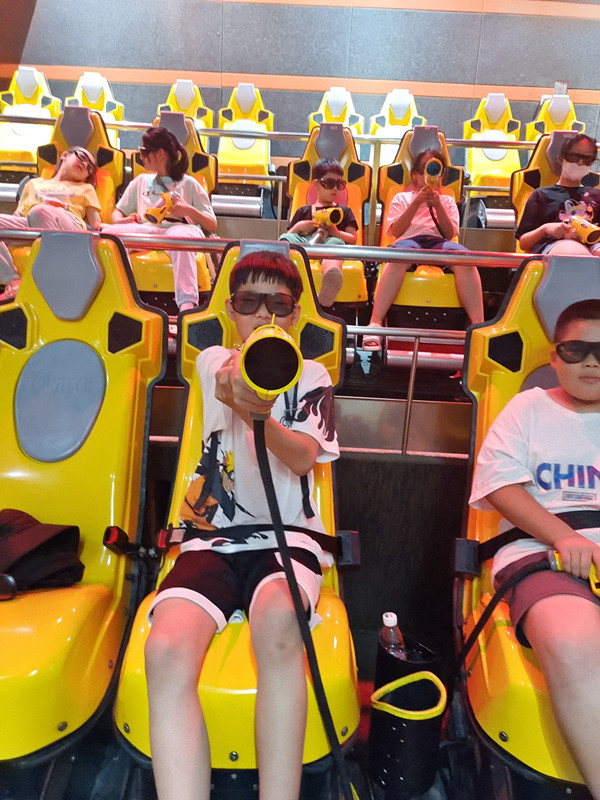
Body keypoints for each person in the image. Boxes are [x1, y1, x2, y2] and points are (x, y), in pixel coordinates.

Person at [144, 250, 339, 800]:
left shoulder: (314, 375)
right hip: (211, 540)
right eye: (250, 302)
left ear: (295, 314)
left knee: (280, 623)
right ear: (232, 310)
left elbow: (303, 458)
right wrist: (249, 389)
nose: (264, 314)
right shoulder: (212, 361)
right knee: (165, 649)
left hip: (288, 539)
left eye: (278, 304)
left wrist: (261, 417)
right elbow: (230, 378)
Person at [470, 299, 600, 799]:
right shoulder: (529, 408)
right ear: (554, 355)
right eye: (576, 349)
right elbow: (501, 486)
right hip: (542, 551)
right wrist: (564, 537)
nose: (590, 362)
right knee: (573, 642)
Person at [363, 148, 484, 351]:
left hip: (438, 242)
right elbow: (397, 232)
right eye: (424, 169)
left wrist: (438, 205)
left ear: (442, 175)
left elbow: (448, 234)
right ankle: (375, 322)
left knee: (465, 259)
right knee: (398, 258)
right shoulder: (401, 199)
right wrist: (417, 202)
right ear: (415, 175)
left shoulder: (447, 201)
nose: (429, 174)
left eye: (436, 169)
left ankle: (477, 326)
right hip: (409, 241)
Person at [102, 126, 217, 312]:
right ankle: (123, 297)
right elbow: (116, 214)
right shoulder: (140, 181)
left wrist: (188, 210)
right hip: (147, 230)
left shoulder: (189, 183)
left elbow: (211, 224)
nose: (141, 157)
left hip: (179, 229)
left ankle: (187, 306)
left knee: (182, 240)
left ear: (161, 154)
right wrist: (124, 221)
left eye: (144, 152)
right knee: (109, 235)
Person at [0, 146, 101, 300]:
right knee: (35, 213)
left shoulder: (86, 188)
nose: (85, 164)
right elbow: (21, 213)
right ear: (65, 155)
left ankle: (60, 280)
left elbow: (96, 225)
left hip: (68, 225)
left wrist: (62, 207)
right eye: (82, 157)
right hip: (31, 224)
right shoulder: (33, 184)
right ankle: (13, 281)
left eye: (90, 167)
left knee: (39, 211)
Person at [279, 157, 358, 307]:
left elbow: (353, 239)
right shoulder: (303, 211)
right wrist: (300, 226)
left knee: (335, 245)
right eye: (329, 183)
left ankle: (331, 276)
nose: (335, 189)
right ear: (316, 185)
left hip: (329, 243)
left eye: (339, 184)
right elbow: (290, 234)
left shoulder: (345, 212)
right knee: (286, 239)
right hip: (305, 243)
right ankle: (282, 272)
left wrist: (335, 232)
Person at [517, 133, 600, 256]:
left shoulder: (597, 196)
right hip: (556, 248)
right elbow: (524, 243)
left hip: (592, 245)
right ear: (561, 159)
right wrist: (545, 229)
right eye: (574, 156)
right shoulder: (541, 195)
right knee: (572, 251)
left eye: (587, 159)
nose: (580, 162)